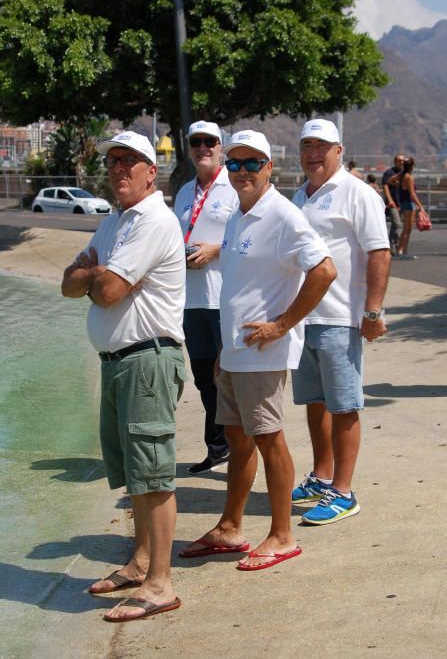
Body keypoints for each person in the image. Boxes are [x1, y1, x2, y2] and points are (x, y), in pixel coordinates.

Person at [180, 130, 336, 570]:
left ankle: (282, 535)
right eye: (235, 163)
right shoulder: (237, 215)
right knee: (237, 438)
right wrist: (224, 356)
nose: (242, 171)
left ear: (270, 167)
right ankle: (230, 526)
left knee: (268, 438)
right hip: (235, 353)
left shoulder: (283, 216)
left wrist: (281, 325)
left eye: (252, 164)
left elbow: (324, 271)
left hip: (262, 353)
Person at [61, 131, 187, 622]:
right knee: (135, 475)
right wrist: (92, 275)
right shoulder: (115, 221)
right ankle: (139, 563)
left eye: (130, 161)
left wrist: (94, 273)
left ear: (150, 172)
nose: (119, 169)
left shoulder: (153, 221)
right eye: (113, 161)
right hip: (118, 363)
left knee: (153, 475)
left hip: (147, 361)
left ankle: (160, 583)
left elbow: (107, 289)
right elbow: (68, 285)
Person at [292, 119, 391, 525]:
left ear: (339, 149)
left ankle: (344, 492)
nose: (314, 154)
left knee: (345, 405)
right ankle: (323, 474)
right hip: (304, 317)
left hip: (339, 317)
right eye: (307, 146)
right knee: (316, 403)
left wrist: (372, 311)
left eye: (322, 146)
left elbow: (379, 252)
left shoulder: (358, 193)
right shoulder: (301, 194)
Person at [174, 121, 237, 474]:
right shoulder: (184, 192)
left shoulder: (233, 188)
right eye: (196, 142)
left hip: (222, 298)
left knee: (226, 376)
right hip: (190, 299)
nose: (202, 148)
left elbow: (249, 238)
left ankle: (237, 447)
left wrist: (216, 250)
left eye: (209, 142)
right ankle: (217, 448)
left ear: (220, 146)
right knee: (202, 377)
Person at [394, 156, 425, 258]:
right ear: (412, 166)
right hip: (409, 203)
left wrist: (398, 185)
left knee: (407, 229)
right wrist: (420, 206)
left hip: (403, 202)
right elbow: (412, 194)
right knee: (407, 229)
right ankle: (401, 250)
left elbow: (390, 180)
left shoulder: (402, 175)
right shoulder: (409, 177)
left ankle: (403, 250)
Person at [382, 154, 404, 255]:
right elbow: (385, 185)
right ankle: (393, 244)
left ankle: (393, 246)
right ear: (395, 161)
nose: (401, 162)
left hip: (402, 202)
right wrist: (390, 200)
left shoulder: (404, 174)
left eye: (403, 161)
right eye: (399, 160)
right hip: (393, 203)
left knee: (397, 225)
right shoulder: (389, 173)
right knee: (397, 224)